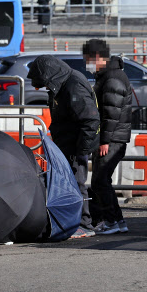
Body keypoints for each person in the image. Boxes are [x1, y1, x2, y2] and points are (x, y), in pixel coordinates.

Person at [27, 55, 100, 238]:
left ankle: (84, 224)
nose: (41, 88)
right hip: (68, 143)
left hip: (76, 144)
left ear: (49, 75)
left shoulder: (72, 85)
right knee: (71, 182)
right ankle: (82, 220)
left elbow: (90, 119)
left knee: (76, 182)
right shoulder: (62, 83)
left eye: (42, 84)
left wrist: (81, 150)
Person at [83, 39, 132, 235]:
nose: (87, 64)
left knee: (100, 181)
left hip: (112, 139)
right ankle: (117, 221)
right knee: (102, 181)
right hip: (113, 138)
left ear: (97, 57)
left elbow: (111, 113)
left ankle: (111, 221)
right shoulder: (108, 75)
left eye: (88, 59)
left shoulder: (112, 78)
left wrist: (104, 141)